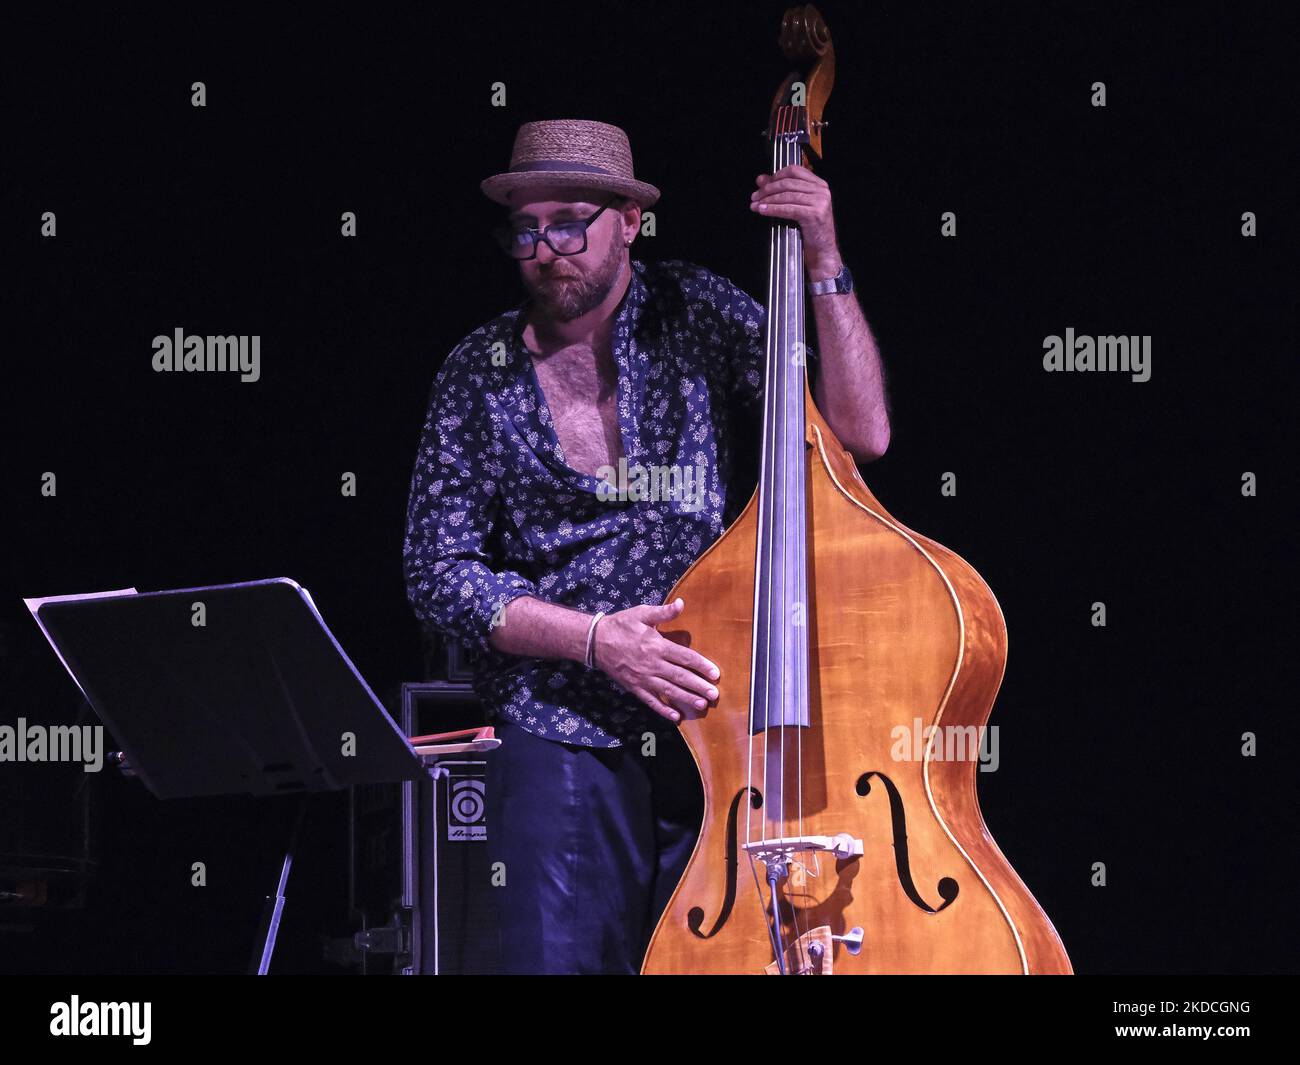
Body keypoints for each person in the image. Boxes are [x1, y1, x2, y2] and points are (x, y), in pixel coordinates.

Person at [403, 118, 889, 973]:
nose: (545, 249)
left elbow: (859, 433)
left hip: (719, 726)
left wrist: (821, 256)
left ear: (629, 220)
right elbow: (438, 573)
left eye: (567, 222)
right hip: (559, 722)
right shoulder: (476, 371)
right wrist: (596, 641)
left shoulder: (697, 313)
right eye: (524, 229)